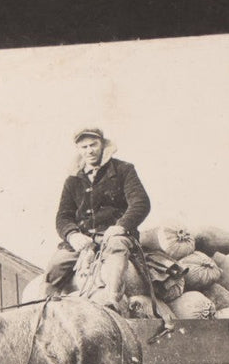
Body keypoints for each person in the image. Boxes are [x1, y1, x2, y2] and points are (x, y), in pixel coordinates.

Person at [45, 128, 151, 303]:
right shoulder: (72, 180)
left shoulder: (124, 170)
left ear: (103, 144)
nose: (89, 150)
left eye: (93, 145)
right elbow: (63, 216)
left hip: (115, 236)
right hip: (83, 240)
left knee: (115, 260)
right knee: (54, 268)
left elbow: (140, 203)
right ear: (79, 150)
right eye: (84, 147)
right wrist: (72, 235)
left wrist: (121, 226)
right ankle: (46, 310)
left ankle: (113, 302)